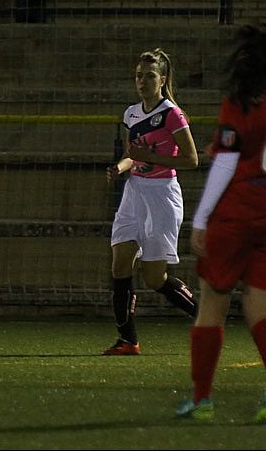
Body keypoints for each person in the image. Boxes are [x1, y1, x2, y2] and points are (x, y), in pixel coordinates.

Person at [176, 24, 266, 422]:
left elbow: (227, 162)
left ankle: (202, 400)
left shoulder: (240, 103)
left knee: (212, 302)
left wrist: (201, 217)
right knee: (263, 309)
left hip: (239, 212)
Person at [103, 48, 200, 356]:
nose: (142, 81)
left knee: (154, 277)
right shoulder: (132, 113)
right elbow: (133, 154)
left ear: (163, 80)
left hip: (162, 196)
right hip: (134, 193)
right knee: (120, 264)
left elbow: (191, 160)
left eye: (149, 76)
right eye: (138, 76)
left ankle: (206, 319)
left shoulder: (173, 114)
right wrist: (119, 168)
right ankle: (128, 341)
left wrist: (149, 157)